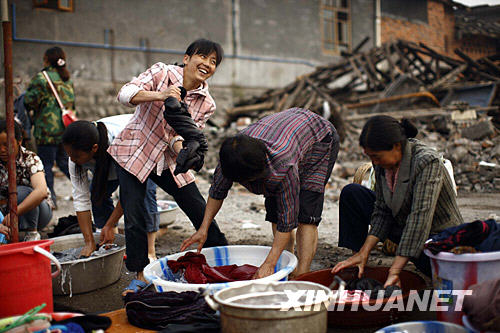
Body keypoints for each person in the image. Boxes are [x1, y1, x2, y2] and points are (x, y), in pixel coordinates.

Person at [108, 38, 228, 291]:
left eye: (213, 61)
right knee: (135, 215)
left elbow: (179, 134)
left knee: (198, 206)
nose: (207, 64)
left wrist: (184, 150)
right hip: (134, 150)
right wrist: (161, 95)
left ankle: (223, 261)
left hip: (167, 157)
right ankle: (139, 276)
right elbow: (125, 93)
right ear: (186, 58)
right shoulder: (162, 72)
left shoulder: (207, 103)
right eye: (202, 57)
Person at [181, 108, 340, 279]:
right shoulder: (231, 156)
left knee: (306, 214)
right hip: (288, 132)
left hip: (319, 138)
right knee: (274, 209)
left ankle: (302, 274)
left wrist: (269, 263)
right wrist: (204, 228)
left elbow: (288, 220)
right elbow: (217, 192)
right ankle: (288, 265)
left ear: (260, 172)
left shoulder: (283, 167)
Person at [332, 115, 463, 286]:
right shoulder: (382, 165)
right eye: (371, 157)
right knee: (353, 193)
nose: (374, 162)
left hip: (435, 236)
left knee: (443, 272)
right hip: (403, 224)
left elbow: (419, 218)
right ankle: (358, 260)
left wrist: (394, 271)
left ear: (396, 146)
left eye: (377, 156)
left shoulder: (427, 162)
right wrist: (364, 252)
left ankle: (411, 261)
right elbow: (382, 210)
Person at [62, 115, 160, 260]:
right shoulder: (75, 157)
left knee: (145, 196)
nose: (72, 160)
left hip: (142, 150)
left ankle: (150, 252)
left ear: (94, 149)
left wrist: (110, 223)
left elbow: (129, 192)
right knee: (97, 196)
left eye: (76, 156)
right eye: (69, 155)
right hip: (105, 165)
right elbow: (80, 199)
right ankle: (111, 244)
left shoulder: (120, 142)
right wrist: (89, 242)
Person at [24, 46, 74, 209]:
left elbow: (29, 101)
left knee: (45, 164)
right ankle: (88, 186)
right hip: (65, 128)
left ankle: (49, 200)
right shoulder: (66, 78)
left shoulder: (41, 78)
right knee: (64, 161)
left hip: (47, 130)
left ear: (46, 59)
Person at [0, 120, 54, 242]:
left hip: (38, 213)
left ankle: (31, 233)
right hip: (6, 217)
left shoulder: (30, 158)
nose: (2, 150)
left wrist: (14, 213)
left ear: (19, 142)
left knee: (22, 191)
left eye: (6, 144)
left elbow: (41, 191)